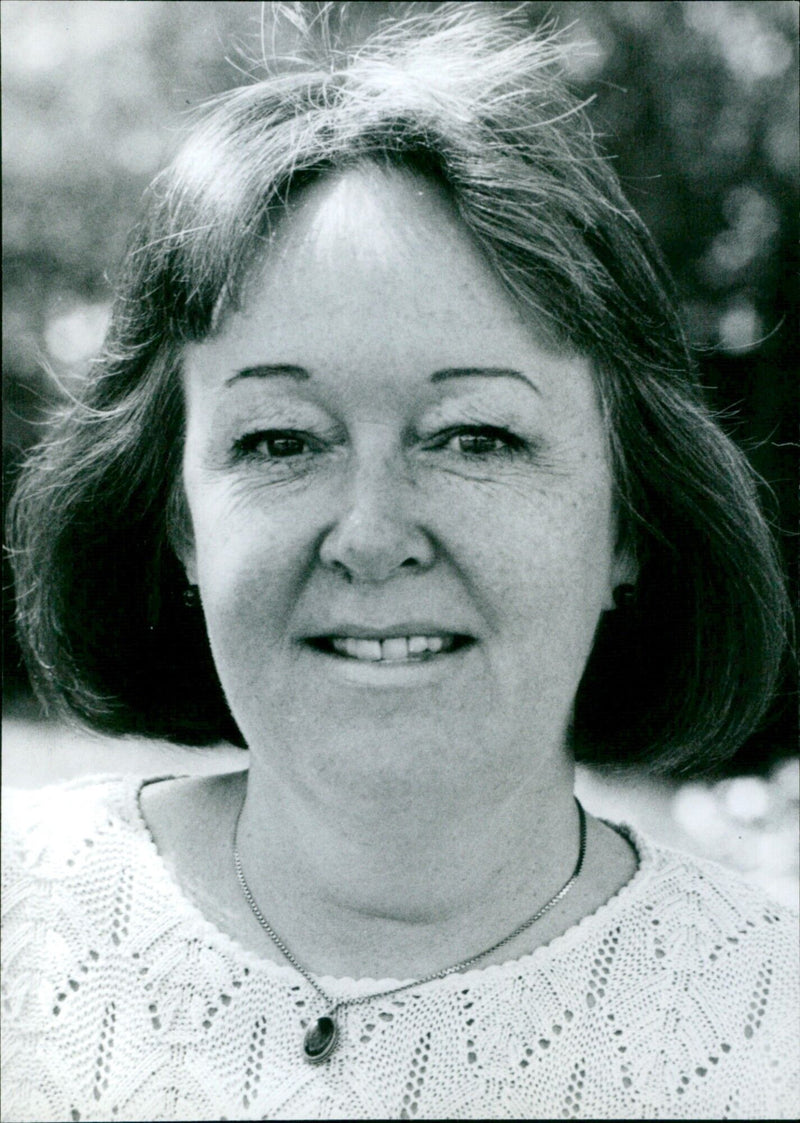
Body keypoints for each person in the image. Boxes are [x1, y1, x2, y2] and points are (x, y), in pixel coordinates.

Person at [2, 5, 796, 1119]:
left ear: (629, 520)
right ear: (178, 517)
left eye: (476, 436)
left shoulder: (773, 1027)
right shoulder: (17, 921)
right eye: (279, 439)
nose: (371, 535)